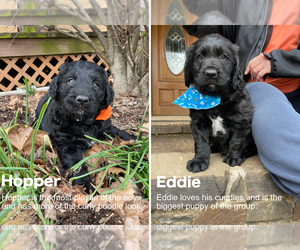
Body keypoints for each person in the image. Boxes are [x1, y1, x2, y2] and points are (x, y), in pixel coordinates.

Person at [181, 22, 300, 202]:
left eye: (222, 56)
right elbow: (202, 24)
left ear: (236, 66)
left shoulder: (238, 97)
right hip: (256, 87)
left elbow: (242, 124)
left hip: (285, 95)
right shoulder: (242, 8)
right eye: (199, 56)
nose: (211, 68)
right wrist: (201, 155)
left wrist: (236, 152)